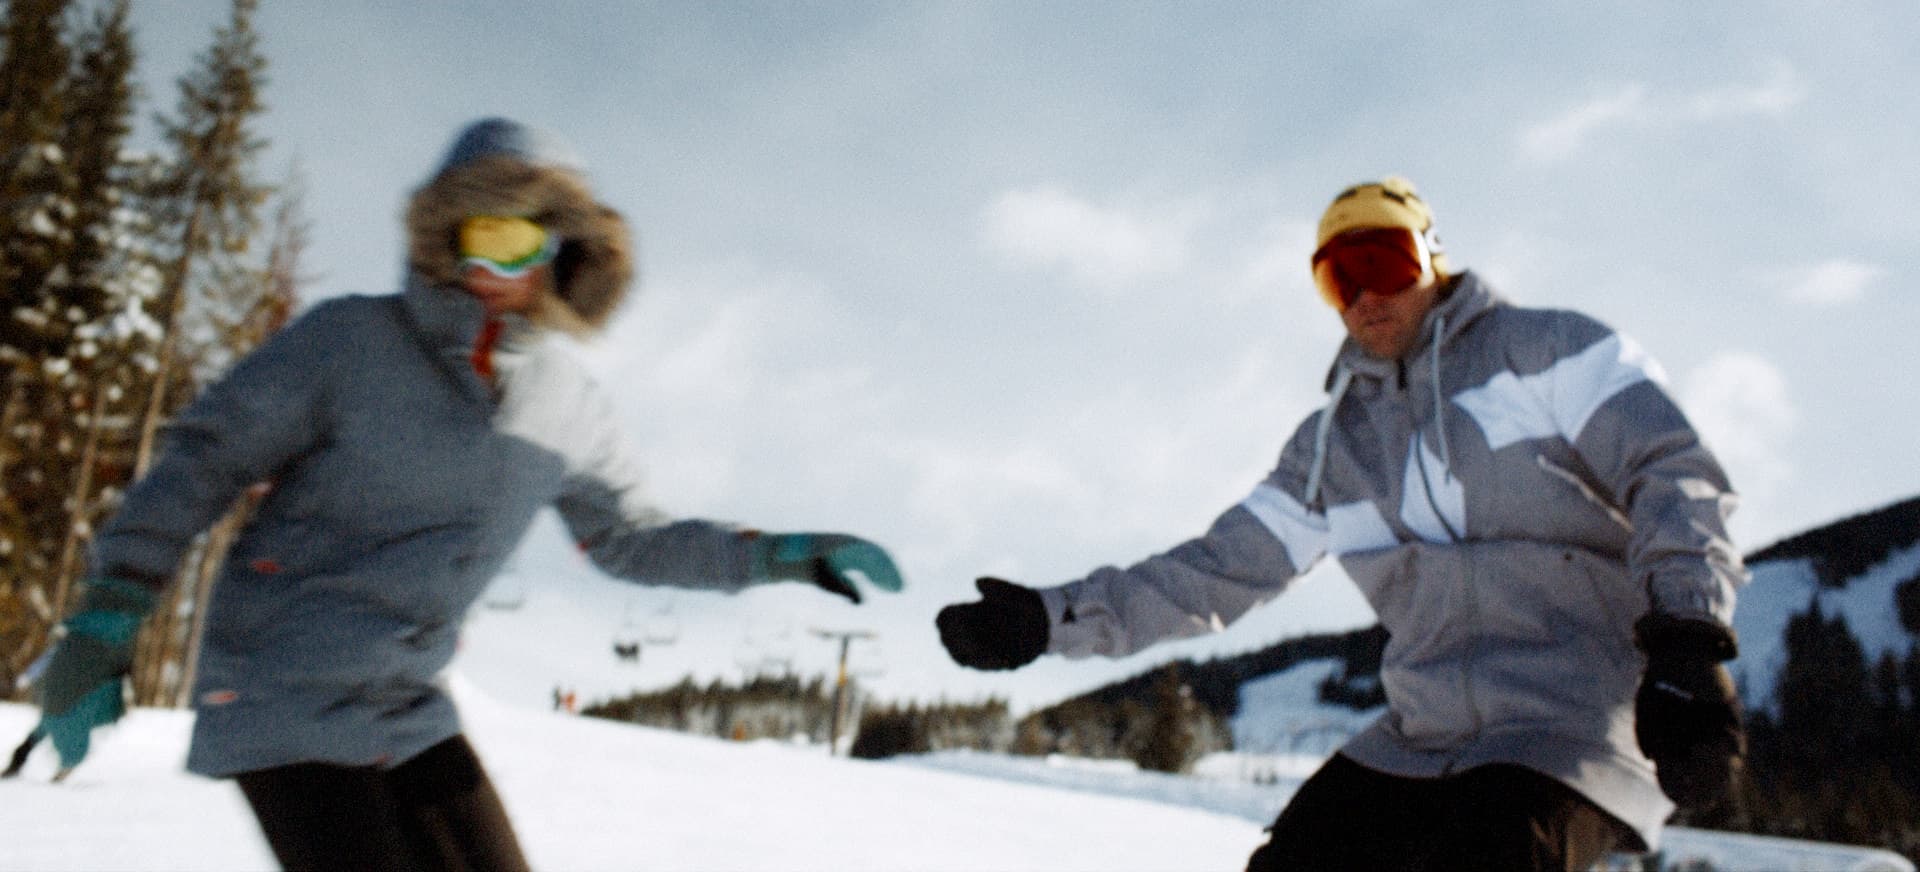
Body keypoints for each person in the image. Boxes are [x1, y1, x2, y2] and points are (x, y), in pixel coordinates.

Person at [31, 117, 903, 870]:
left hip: (406, 700)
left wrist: (770, 554)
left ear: (563, 257)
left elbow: (630, 538)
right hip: (279, 687)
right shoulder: (350, 342)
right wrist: (107, 619)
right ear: (446, 238)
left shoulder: (569, 408)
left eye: (526, 243)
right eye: (482, 236)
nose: (497, 266)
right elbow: (203, 460)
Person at [937, 177, 1746, 870]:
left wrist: (1688, 635)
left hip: (1566, 726)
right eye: (1339, 279)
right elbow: (1216, 570)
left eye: (1384, 264)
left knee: (1490, 855)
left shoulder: (1545, 350)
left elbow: (1670, 468)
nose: (1366, 296)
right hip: (1422, 735)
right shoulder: (1334, 446)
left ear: (1431, 259)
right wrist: (1050, 619)